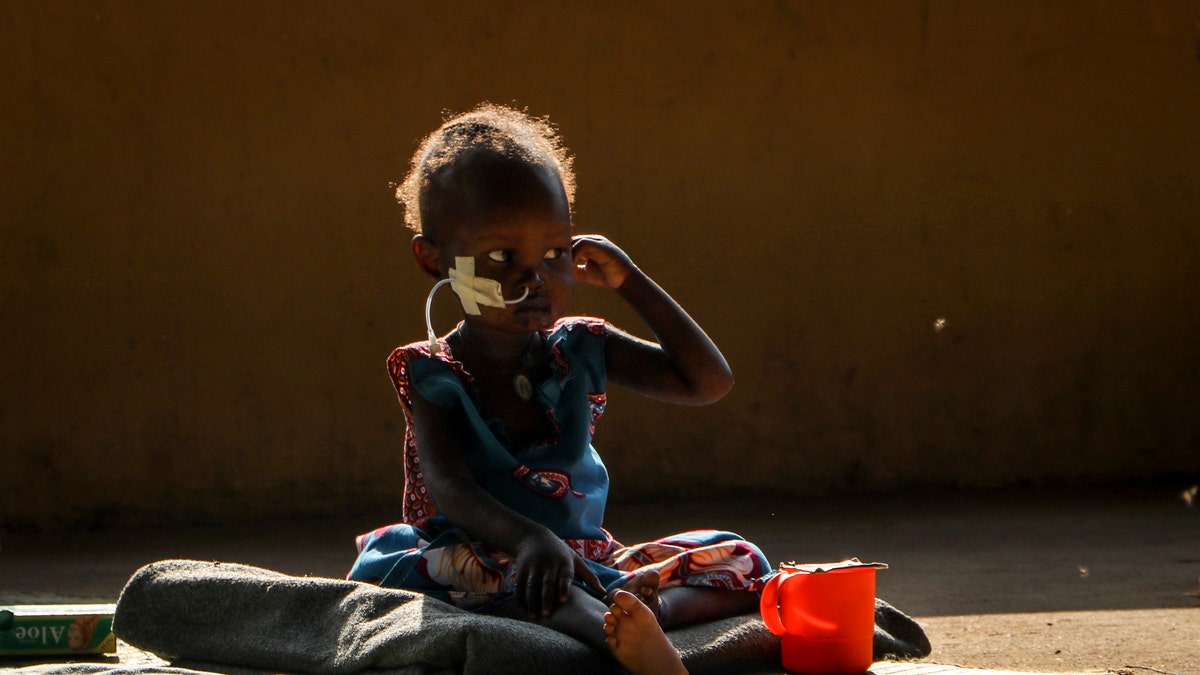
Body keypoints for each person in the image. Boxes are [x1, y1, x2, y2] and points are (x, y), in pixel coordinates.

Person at [349, 103, 770, 675]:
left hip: (584, 556)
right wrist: (527, 541)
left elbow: (708, 382)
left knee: (741, 557)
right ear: (434, 261)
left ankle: (645, 616)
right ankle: (614, 631)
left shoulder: (580, 347)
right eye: (501, 257)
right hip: (479, 551)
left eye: (553, 254)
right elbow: (449, 488)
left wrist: (631, 283)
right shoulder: (433, 371)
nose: (534, 277)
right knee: (514, 580)